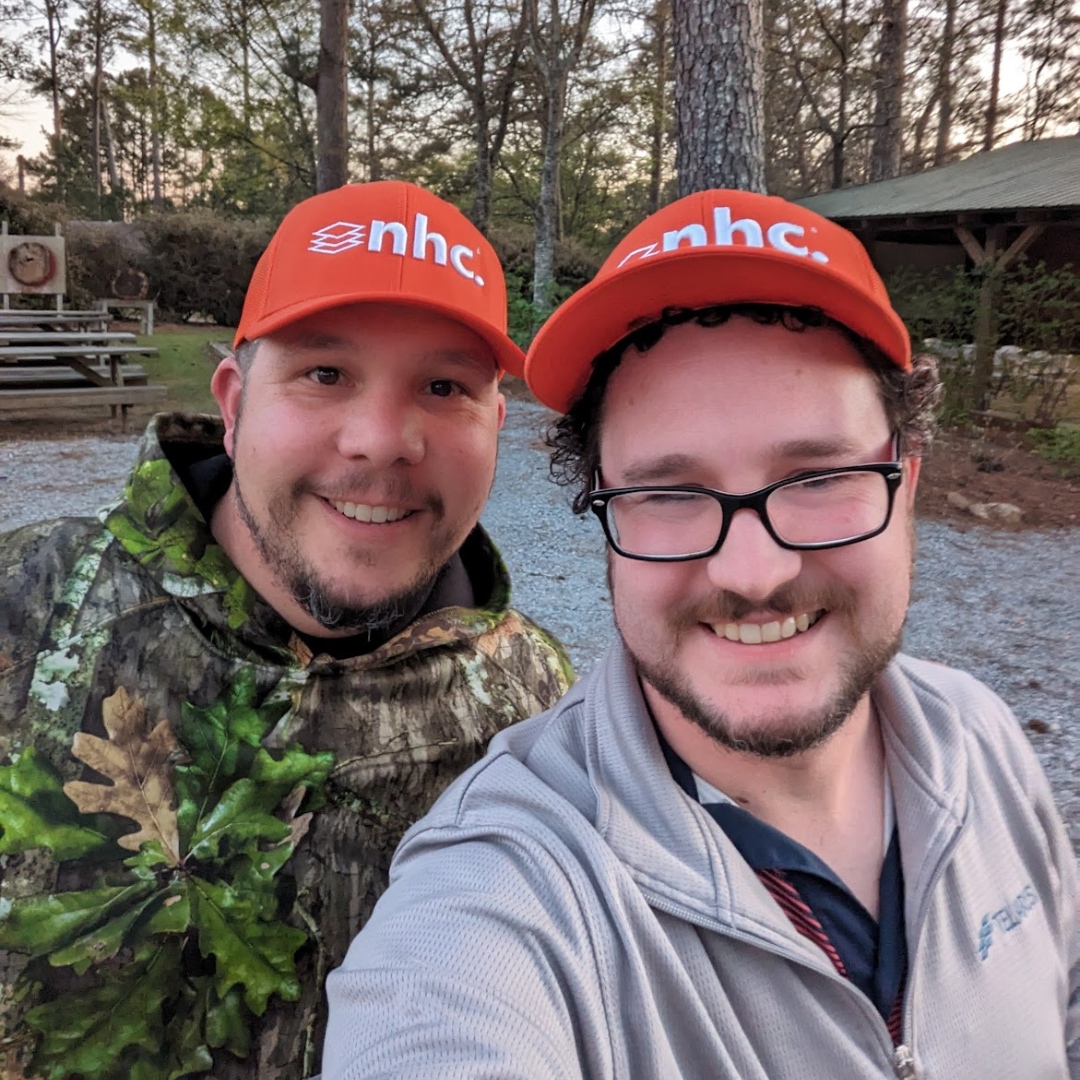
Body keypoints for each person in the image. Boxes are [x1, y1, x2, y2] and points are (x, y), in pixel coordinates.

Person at [323, 189, 1079, 1078]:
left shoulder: (982, 740)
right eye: (669, 493)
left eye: (818, 477)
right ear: (604, 515)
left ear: (904, 483)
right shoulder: (505, 890)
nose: (754, 573)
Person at [0, 180, 572, 1080]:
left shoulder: (539, 710)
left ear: (496, 426)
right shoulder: (24, 609)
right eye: (325, 373)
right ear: (233, 405)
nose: (382, 440)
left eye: (444, 386)